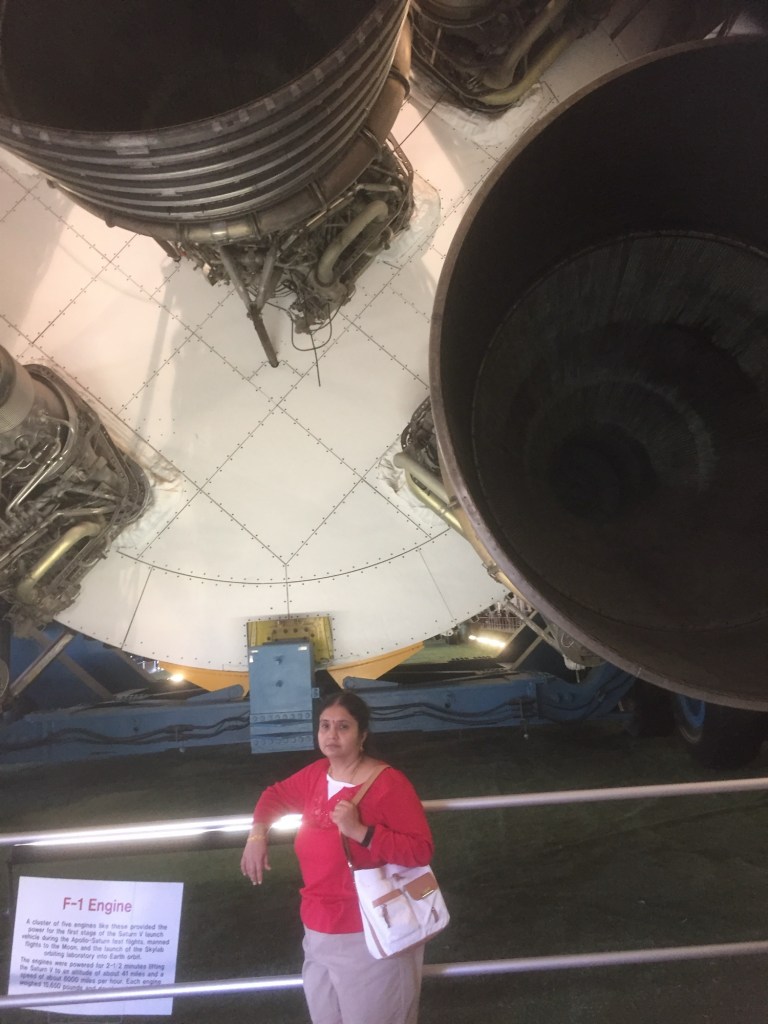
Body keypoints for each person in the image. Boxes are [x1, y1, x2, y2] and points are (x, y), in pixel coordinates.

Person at [240, 689, 433, 1024]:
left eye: (343, 727)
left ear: (363, 735)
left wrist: (362, 832)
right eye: (325, 725)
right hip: (318, 931)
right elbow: (274, 796)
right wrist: (257, 835)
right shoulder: (317, 774)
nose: (331, 734)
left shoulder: (388, 784)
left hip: (371, 932)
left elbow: (420, 850)